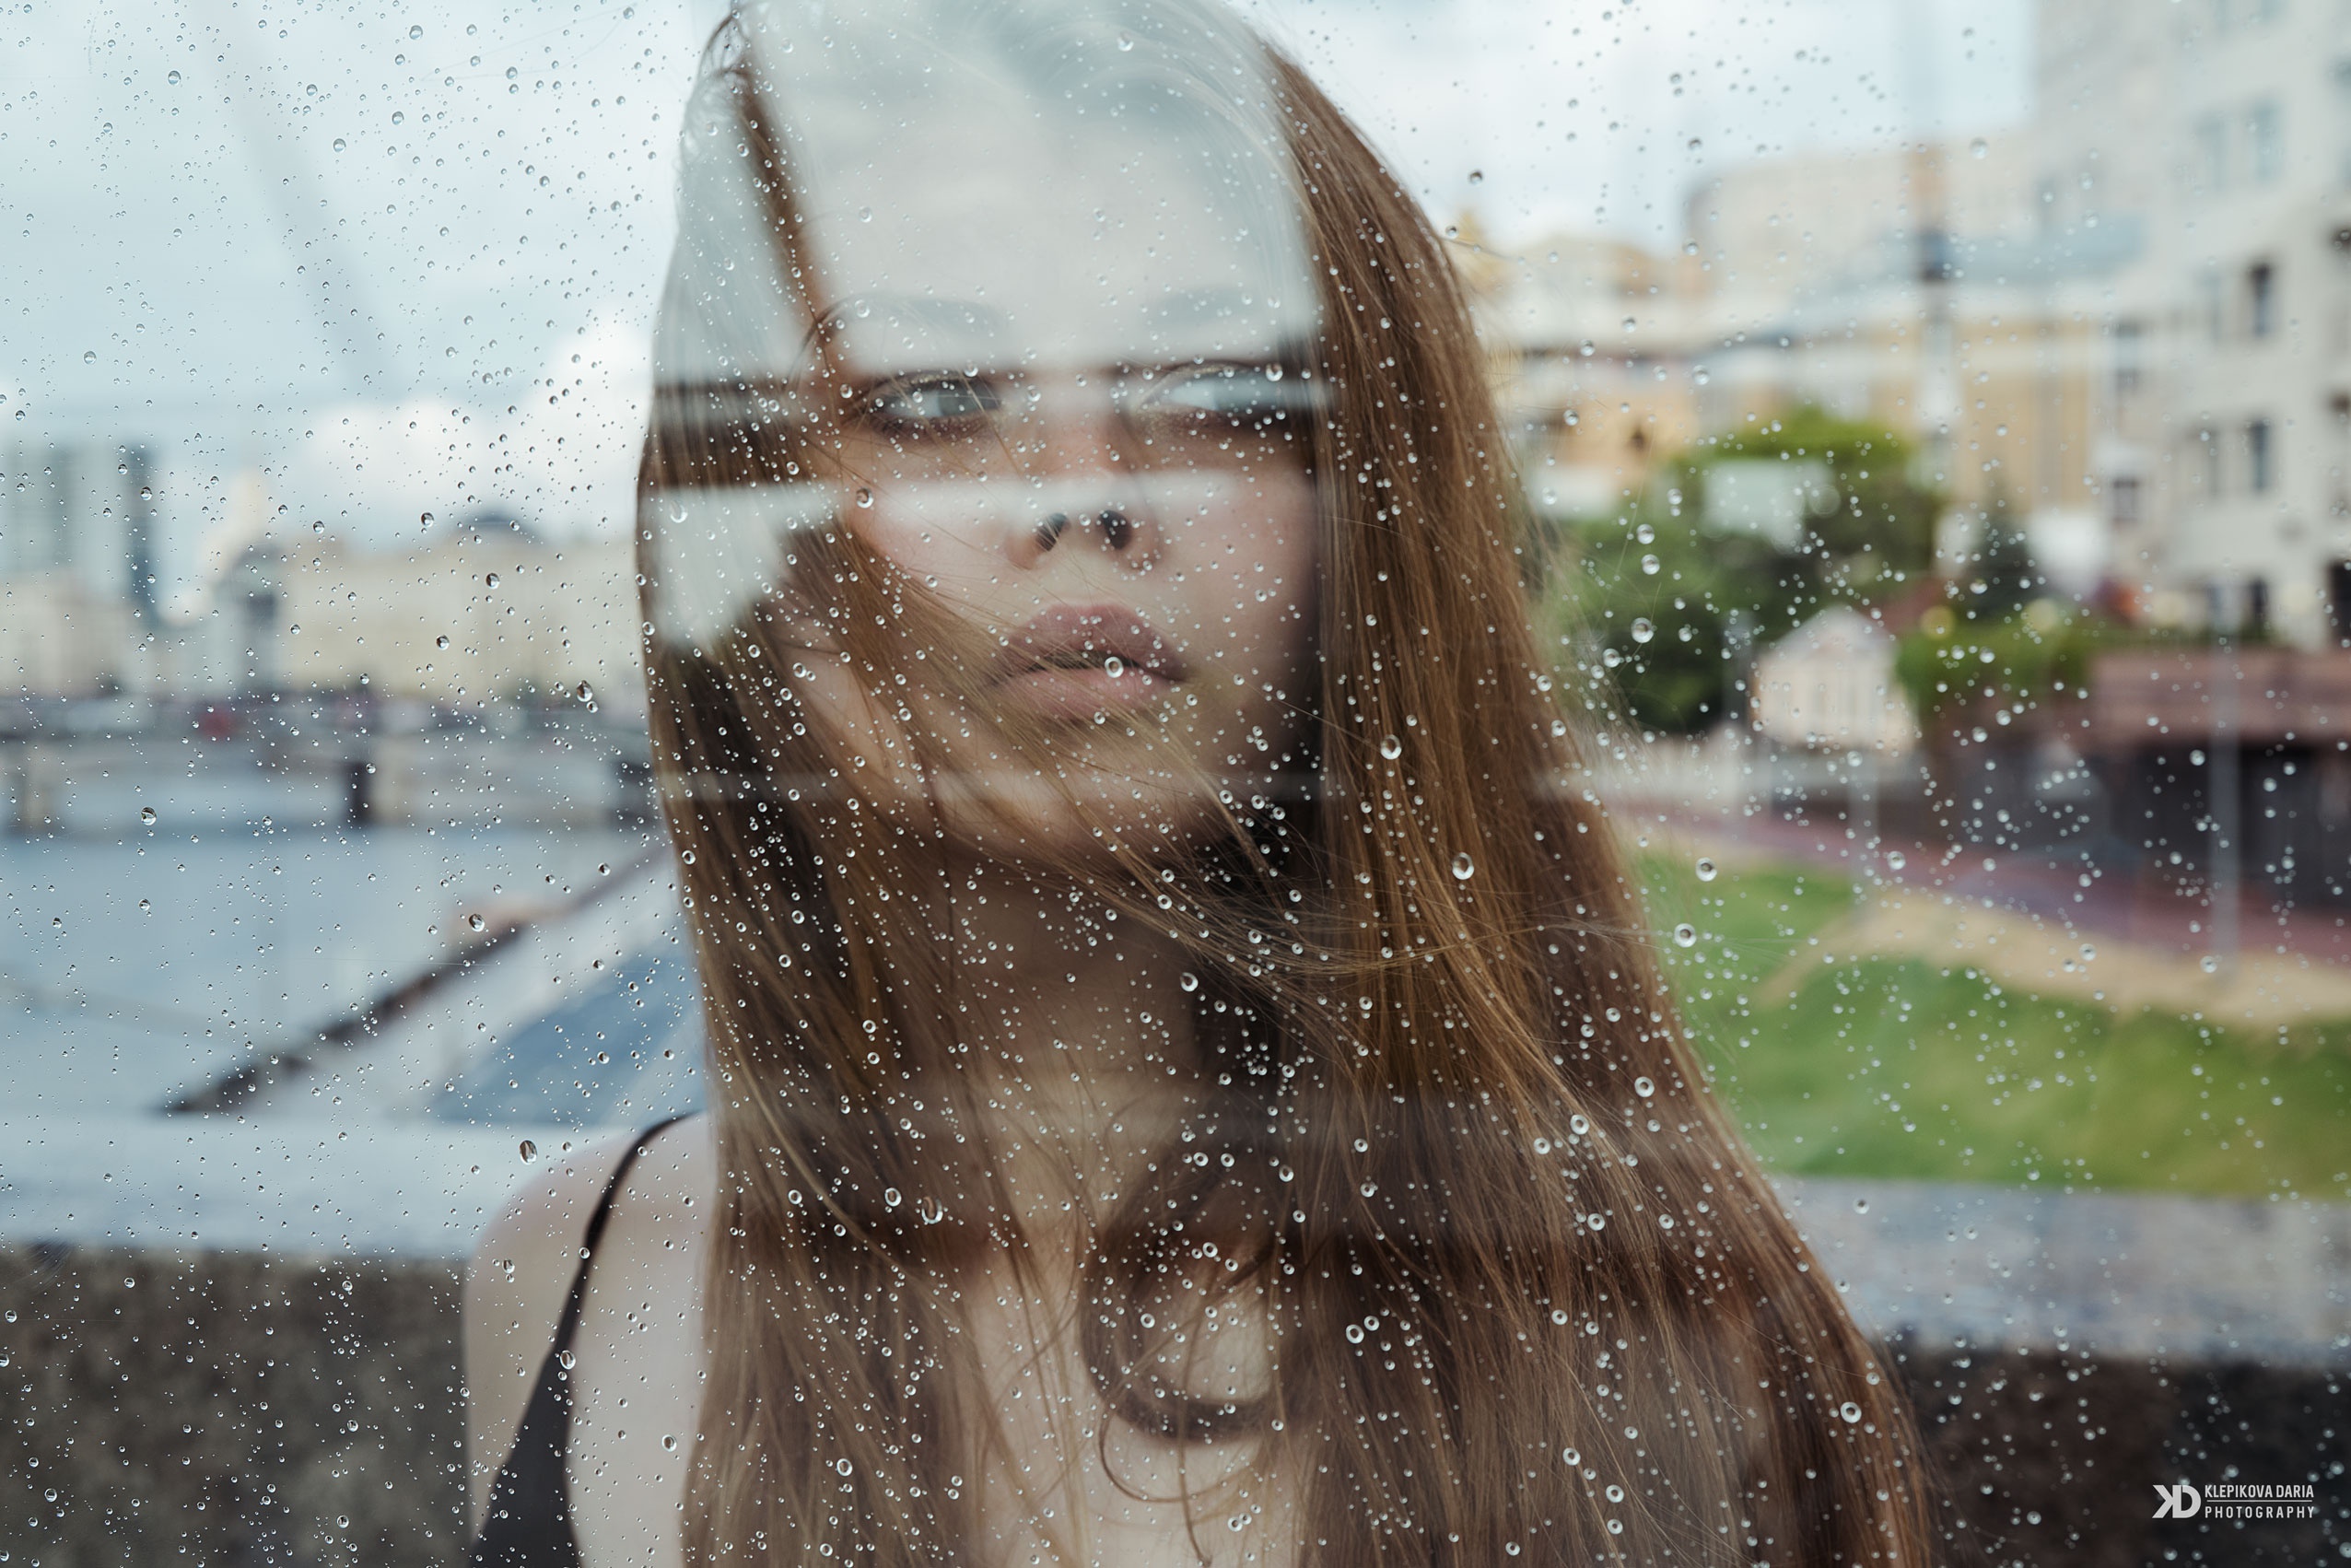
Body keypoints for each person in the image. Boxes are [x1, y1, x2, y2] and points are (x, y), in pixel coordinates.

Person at [465, 3, 1932, 1564]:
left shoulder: (1664, 1329)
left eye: (1226, 393)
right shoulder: (570, 1280)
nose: (1089, 488)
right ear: (758, 532)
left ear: (1365, 523)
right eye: (931, 399)